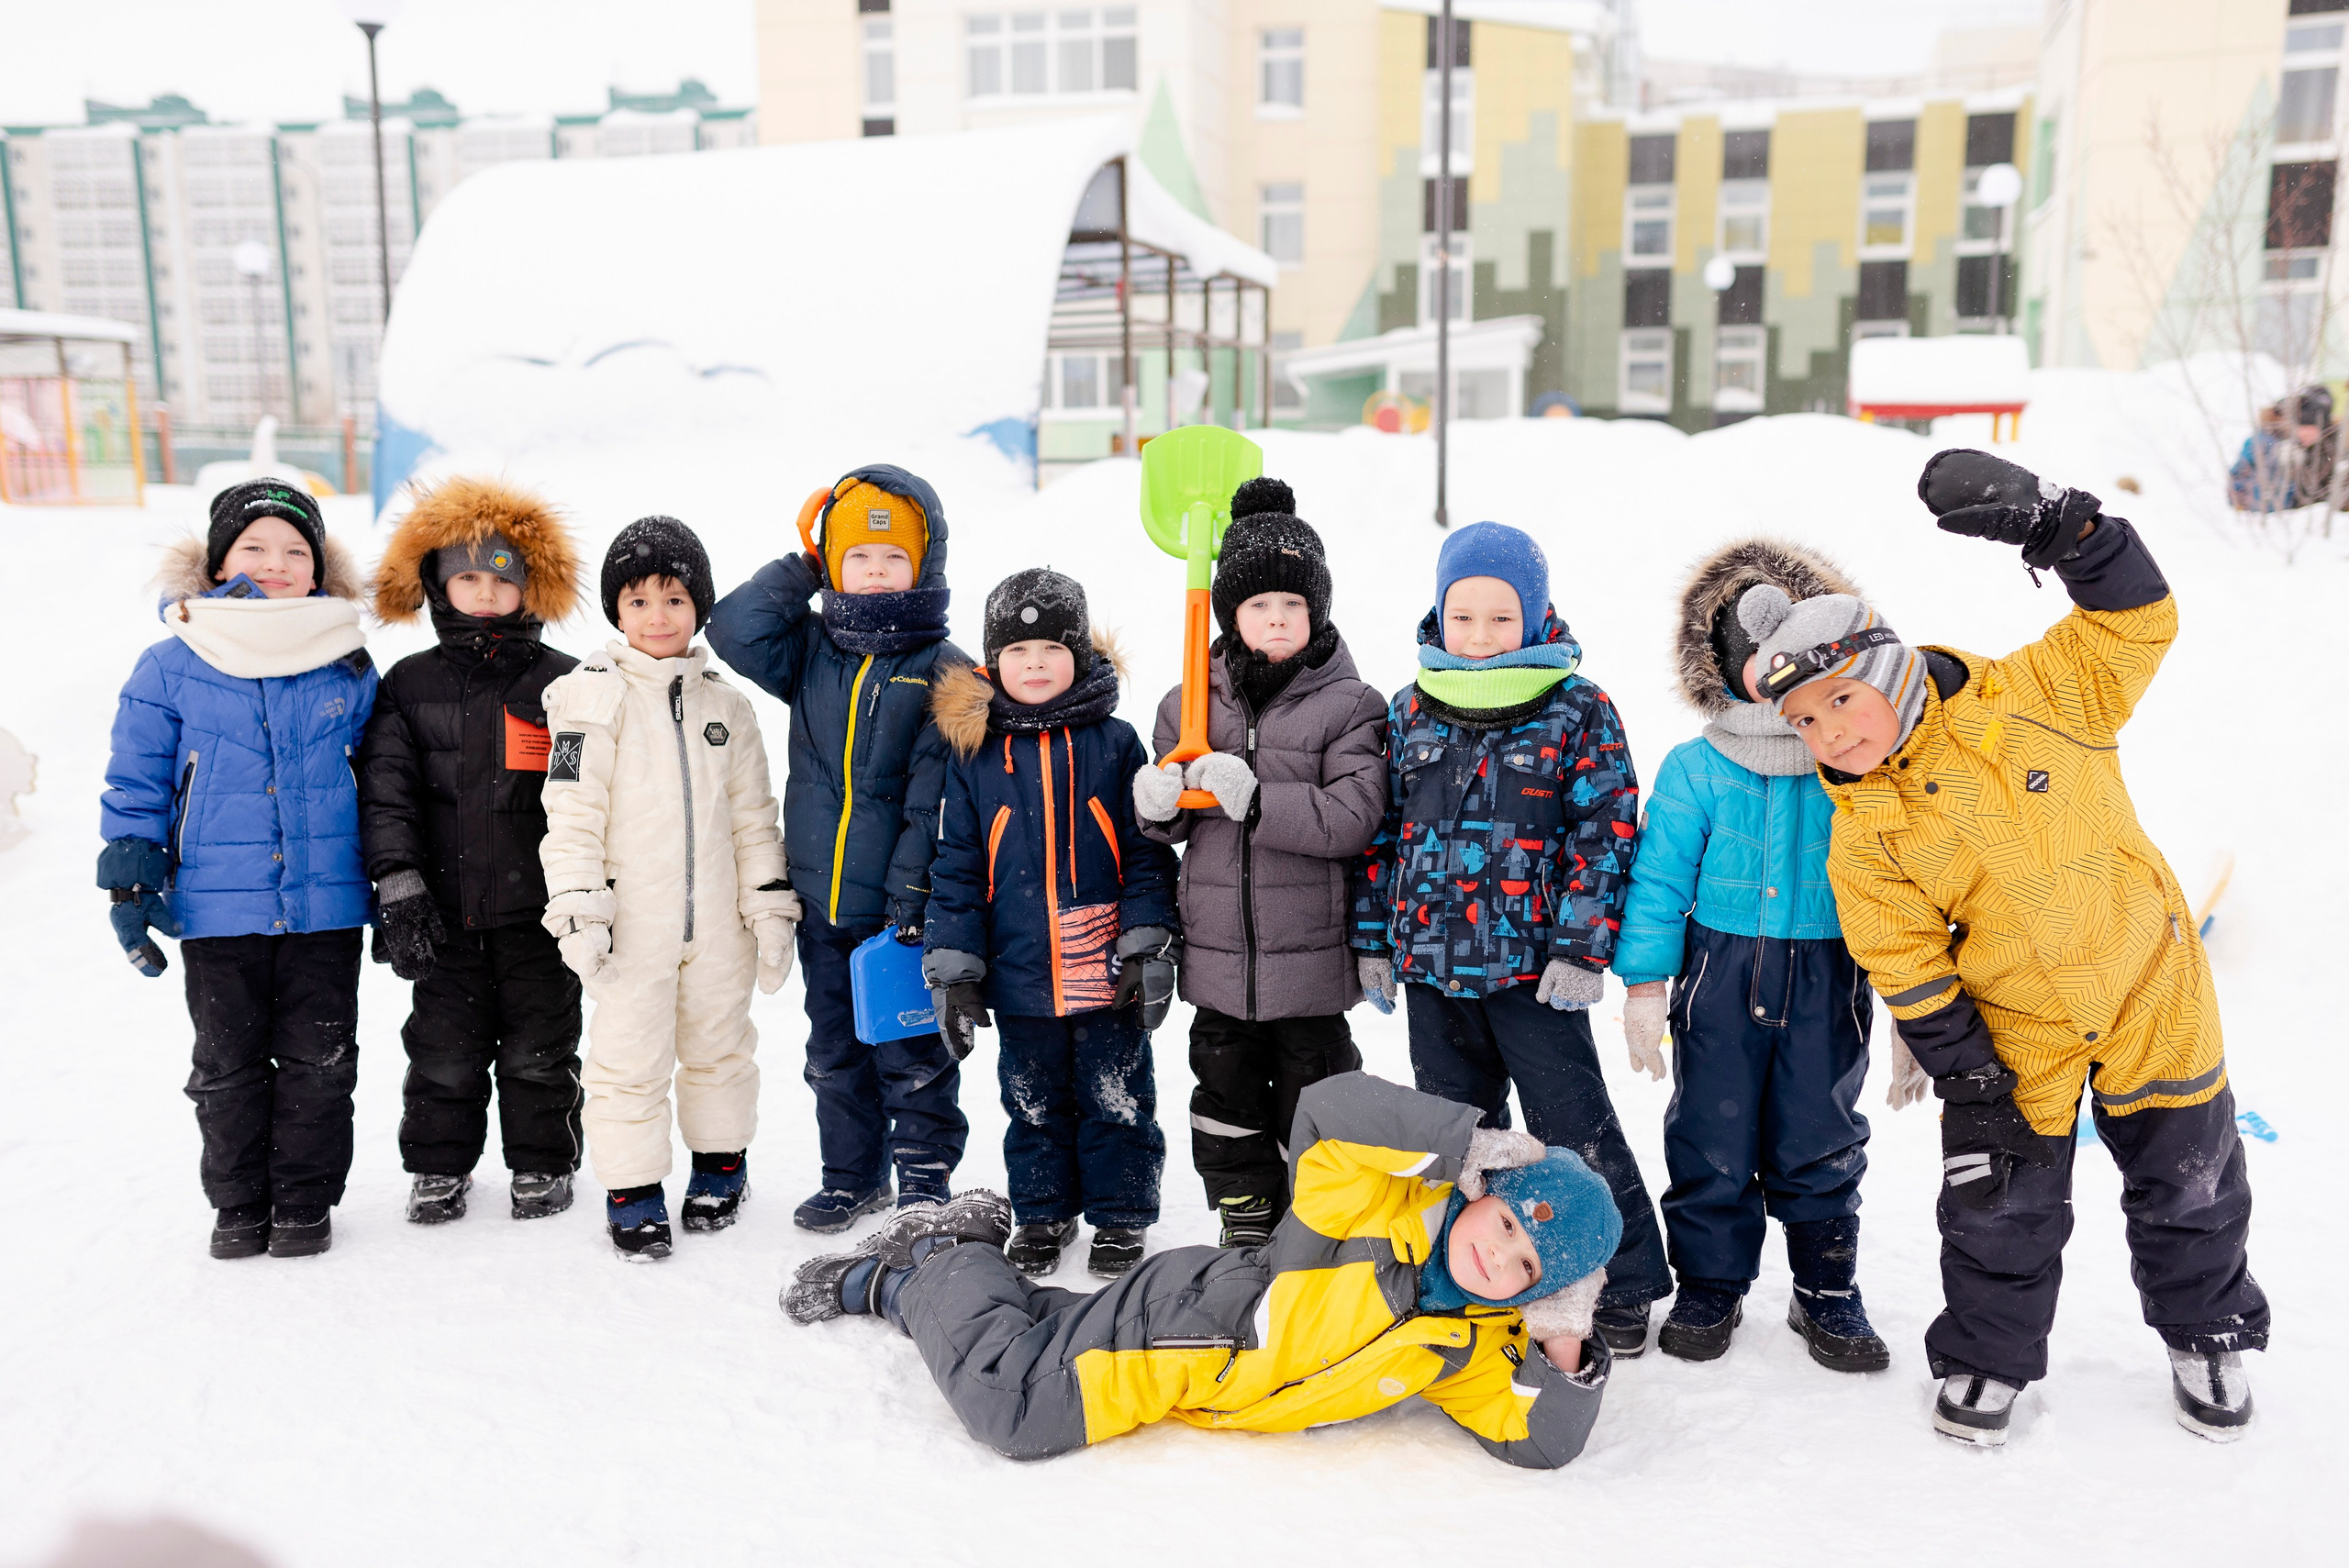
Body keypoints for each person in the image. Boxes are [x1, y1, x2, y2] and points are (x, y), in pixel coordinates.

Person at [1749, 447, 2268, 1445]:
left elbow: (2135, 620)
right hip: (2016, 1022)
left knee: (2192, 1185)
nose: (1828, 731)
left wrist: (2062, 525)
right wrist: (1966, 1069)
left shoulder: (2037, 696)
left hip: (2149, 987)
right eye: (1803, 720)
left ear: (1887, 668)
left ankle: (2206, 1330)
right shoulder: (1863, 830)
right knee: (1995, 1211)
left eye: (1840, 699)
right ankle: (1988, 1356)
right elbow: (1900, 957)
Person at [780, 1072, 1617, 1470]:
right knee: (1011, 1405)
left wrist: (1567, 1336)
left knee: (1038, 1330)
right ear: (1480, 1190)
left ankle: (961, 1253)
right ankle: (919, 1263)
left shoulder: (1468, 1348)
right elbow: (1328, 1108)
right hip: (1180, 1327)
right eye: (1506, 1220)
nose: (1498, 1254)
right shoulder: (1368, 1216)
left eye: (1529, 1265)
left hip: (1192, 1357)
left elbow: (1537, 1440)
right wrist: (1459, 1138)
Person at [1351, 521, 1670, 1355]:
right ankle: (1473, 1276)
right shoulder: (1410, 706)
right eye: (1464, 617)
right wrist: (1373, 938)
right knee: (1461, 1138)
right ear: (1439, 613)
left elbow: (1606, 832)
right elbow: (1382, 835)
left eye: (1501, 618)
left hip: (1535, 976)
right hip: (1432, 970)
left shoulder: (1577, 706)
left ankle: (1626, 1278)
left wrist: (1580, 946)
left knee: (1575, 1130)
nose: (1482, 636)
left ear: (1533, 616)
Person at [1610, 538, 1887, 1370]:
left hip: (1827, 976)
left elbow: (1902, 879)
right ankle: (1710, 1283)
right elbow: (1658, 881)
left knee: (1820, 1132)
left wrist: (1914, 997)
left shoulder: (1855, 760)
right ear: (1722, 668)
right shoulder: (1697, 768)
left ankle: (1826, 1288)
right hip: (1720, 978)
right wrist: (1645, 987)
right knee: (1710, 1135)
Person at [100, 480, 376, 1260]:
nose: (277, 563)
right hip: (218, 910)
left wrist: (395, 878)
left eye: (297, 550)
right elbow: (137, 778)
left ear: (320, 570)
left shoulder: (346, 661)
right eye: (255, 546)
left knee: (321, 1060)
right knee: (227, 1065)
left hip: (325, 903)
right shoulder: (172, 662)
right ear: (219, 559)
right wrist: (130, 874)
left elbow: (382, 780)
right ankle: (238, 1201)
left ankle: (302, 1200)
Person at [707, 467, 971, 1231]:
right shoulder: (814, 651)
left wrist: (911, 897)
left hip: (903, 909)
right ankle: (850, 1175)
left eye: (895, 558)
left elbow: (933, 802)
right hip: (822, 897)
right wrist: (805, 566)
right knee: (834, 1052)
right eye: (858, 557)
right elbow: (732, 629)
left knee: (913, 1052)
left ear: (925, 565)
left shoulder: (944, 668)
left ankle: (923, 1177)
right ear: (835, 565)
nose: (878, 571)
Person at [1132, 477, 1387, 1248]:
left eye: (1293, 605)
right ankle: (1244, 1215)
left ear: (1317, 613)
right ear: (1231, 615)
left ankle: (1319, 1217)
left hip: (1308, 962)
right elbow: (1175, 823)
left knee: (1318, 1097)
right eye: (1257, 605)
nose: (1276, 619)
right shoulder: (1190, 703)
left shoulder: (1350, 705)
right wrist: (1156, 804)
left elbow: (1353, 817)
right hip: (1217, 961)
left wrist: (1260, 798)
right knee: (1224, 1094)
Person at [538, 517, 798, 1261]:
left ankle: (721, 1165)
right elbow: (572, 815)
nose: (658, 617)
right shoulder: (592, 699)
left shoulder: (729, 706)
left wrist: (769, 905)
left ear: (699, 608)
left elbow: (754, 818)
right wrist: (580, 907)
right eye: (640, 601)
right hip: (631, 923)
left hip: (719, 922)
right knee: (628, 1057)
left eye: (676, 599)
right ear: (617, 612)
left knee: (722, 1046)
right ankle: (633, 1187)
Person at [922, 569, 1180, 1279]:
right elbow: (958, 866)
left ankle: (1121, 1216)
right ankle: (1043, 1212)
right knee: (1032, 1101)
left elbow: (1146, 854)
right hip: (1022, 974)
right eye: (1018, 651)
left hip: (1105, 970)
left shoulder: (1115, 743)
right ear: (993, 663)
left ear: (1081, 656)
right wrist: (955, 962)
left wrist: (1148, 940)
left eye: (1051, 648)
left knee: (1117, 1098)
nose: (1034, 663)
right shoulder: (974, 756)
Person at [358, 476, 586, 1225]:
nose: (484, 593)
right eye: (467, 578)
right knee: (442, 1053)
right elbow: (386, 792)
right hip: (443, 915)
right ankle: (437, 1167)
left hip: (539, 917)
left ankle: (543, 1162)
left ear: (530, 588)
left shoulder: (566, 684)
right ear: (438, 585)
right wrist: (397, 881)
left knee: (540, 1050)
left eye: (501, 578)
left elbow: (590, 798)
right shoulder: (407, 684)